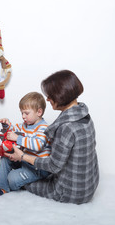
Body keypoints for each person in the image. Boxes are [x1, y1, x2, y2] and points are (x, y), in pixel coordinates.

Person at [6, 70, 99, 204]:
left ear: (61, 95)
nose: (48, 99)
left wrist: (22, 156)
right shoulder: (84, 116)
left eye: (50, 96)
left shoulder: (66, 127)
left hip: (69, 193)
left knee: (14, 180)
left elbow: (53, 166)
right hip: (90, 186)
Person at [0, 92, 51, 196]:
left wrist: (18, 138)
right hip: (24, 161)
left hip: (37, 168)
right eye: (22, 113)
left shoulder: (44, 127)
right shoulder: (24, 125)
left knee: (12, 179)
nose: (23, 116)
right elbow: (12, 130)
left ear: (39, 112)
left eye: (26, 113)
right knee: (5, 158)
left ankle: (23, 182)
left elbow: (38, 145)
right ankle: (2, 187)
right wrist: (6, 124)